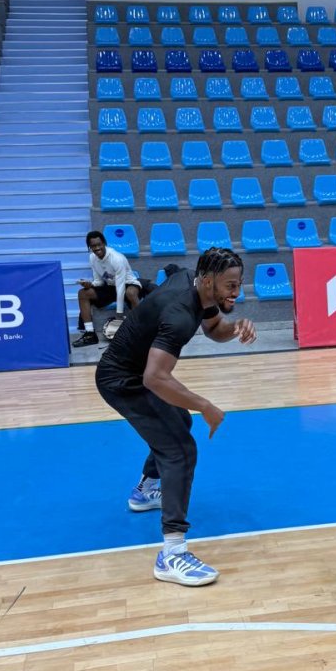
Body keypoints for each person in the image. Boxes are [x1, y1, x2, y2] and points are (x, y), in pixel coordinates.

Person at [95, 248, 256, 586]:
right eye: (230, 285)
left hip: (137, 372)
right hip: (122, 380)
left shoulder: (198, 285)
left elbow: (214, 328)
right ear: (208, 281)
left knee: (179, 422)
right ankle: (172, 553)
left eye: (239, 284)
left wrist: (235, 328)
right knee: (180, 450)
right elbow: (155, 378)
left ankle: (145, 491)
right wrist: (205, 405)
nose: (236, 292)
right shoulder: (179, 313)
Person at [73, 230, 145, 348]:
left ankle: (142, 331)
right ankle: (90, 334)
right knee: (83, 293)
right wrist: (89, 284)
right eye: (93, 246)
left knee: (130, 293)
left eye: (99, 244)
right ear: (90, 247)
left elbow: (121, 286)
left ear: (104, 243)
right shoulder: (92, 258)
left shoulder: (116, 258)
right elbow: (99, 281)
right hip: (111, 286)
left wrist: (119, 312)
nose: (97, 248)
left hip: (128, 284)